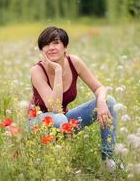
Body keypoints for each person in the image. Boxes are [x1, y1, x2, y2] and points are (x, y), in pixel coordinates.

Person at [28, 26, 118, 164]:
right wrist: (57, 70)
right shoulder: (37, 71)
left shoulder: (74, 62)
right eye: (46, 44)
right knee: (59, 119)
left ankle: (108, 160)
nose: (51, 47)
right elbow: (55, 108)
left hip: (63, 119)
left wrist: (100, 102)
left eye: (56, 42)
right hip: (38, 123)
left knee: (109, 101)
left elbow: (100, 88)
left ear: (65, 47)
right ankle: (55, 161)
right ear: (42, 51)